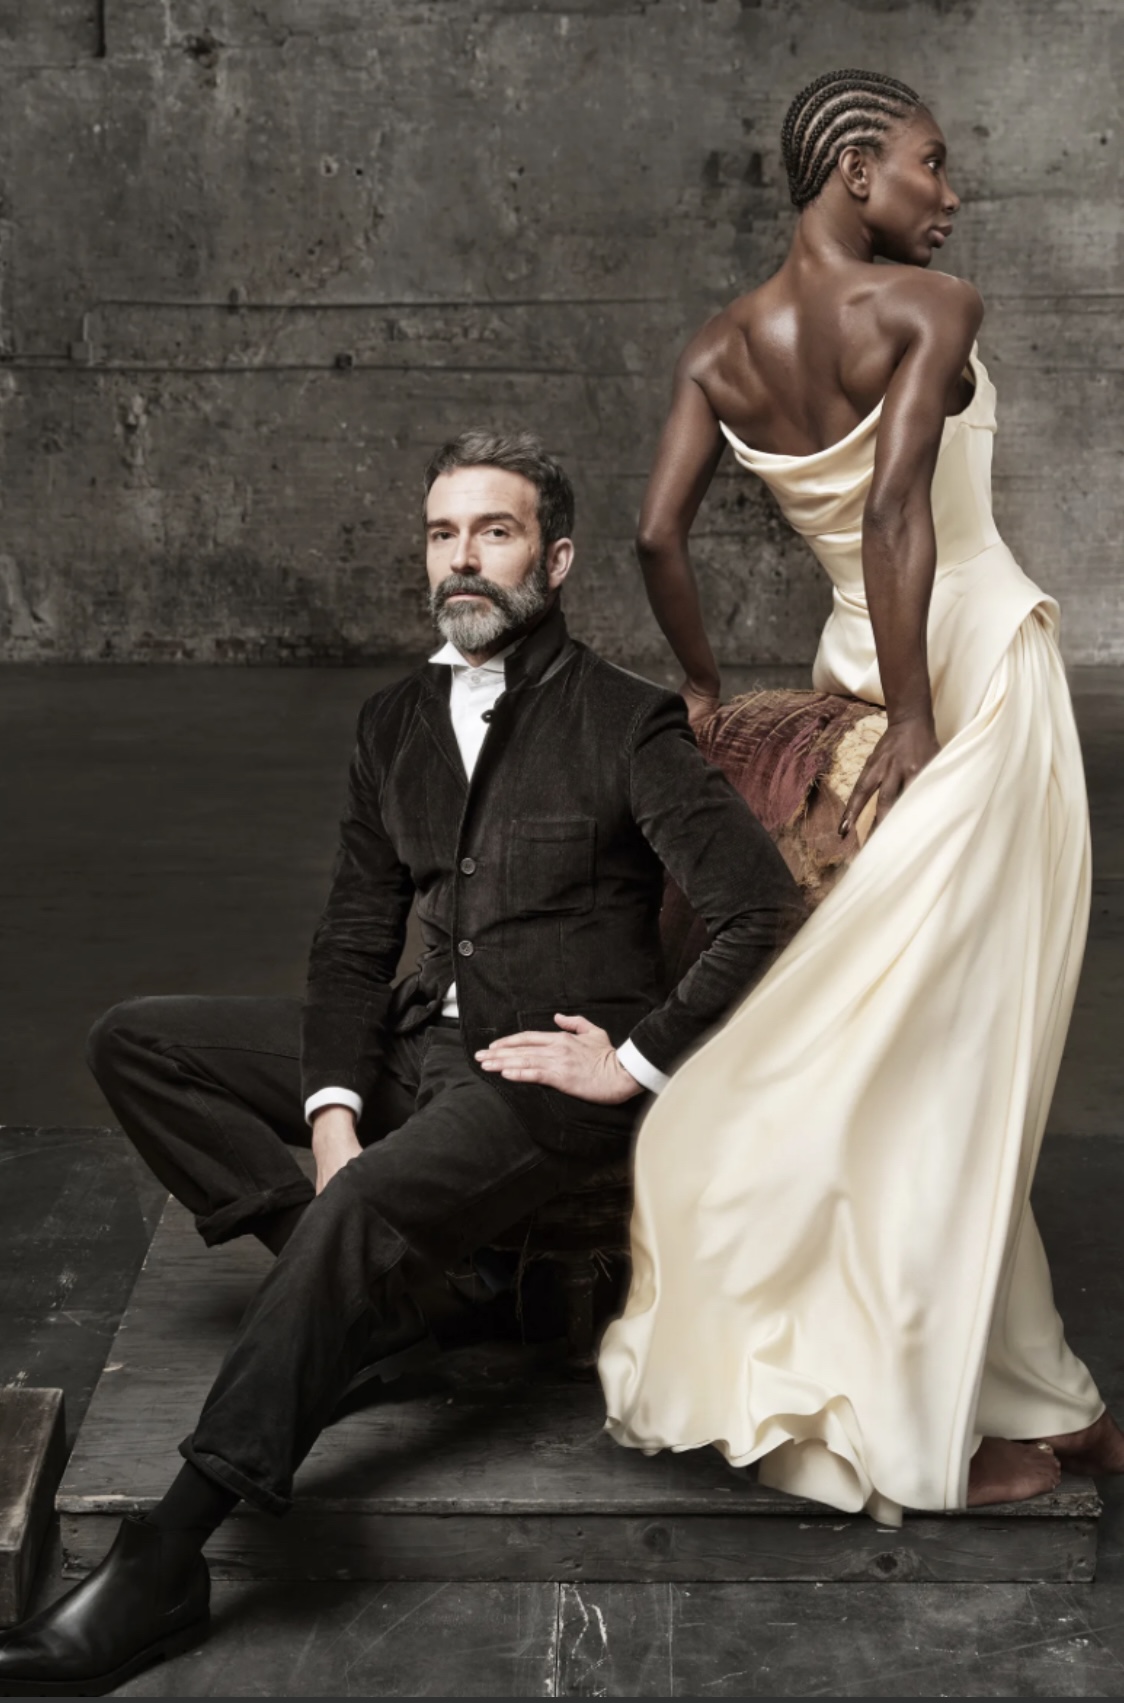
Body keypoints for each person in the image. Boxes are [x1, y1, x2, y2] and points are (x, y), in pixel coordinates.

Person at [0, 430, 802, 1696]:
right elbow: (352, 938)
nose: (461, 559)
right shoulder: (393, 722)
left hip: (539, 1076)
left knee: (366, 1201)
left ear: (555, 558)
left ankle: (167, 1554)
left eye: (494, 531)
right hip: (417, 1037)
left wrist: (634, 1062)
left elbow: (758, 906)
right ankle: (396, 1295)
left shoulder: (625, 719)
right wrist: (329, 1108)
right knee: (137, 1041)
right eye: (442, 534)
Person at [598, 69, 1124, 1524]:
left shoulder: (720, 347)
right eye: (930, 165)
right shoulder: (930, 308)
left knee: (937, 1028)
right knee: (946, 1042)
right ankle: (909, 1408)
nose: (949, 195)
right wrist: (918, 712)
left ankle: (1037, 1385)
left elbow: (654, 536)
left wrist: (703, 684)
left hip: (855, 654)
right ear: (851, 169)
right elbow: (899, 508)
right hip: (963, 667)